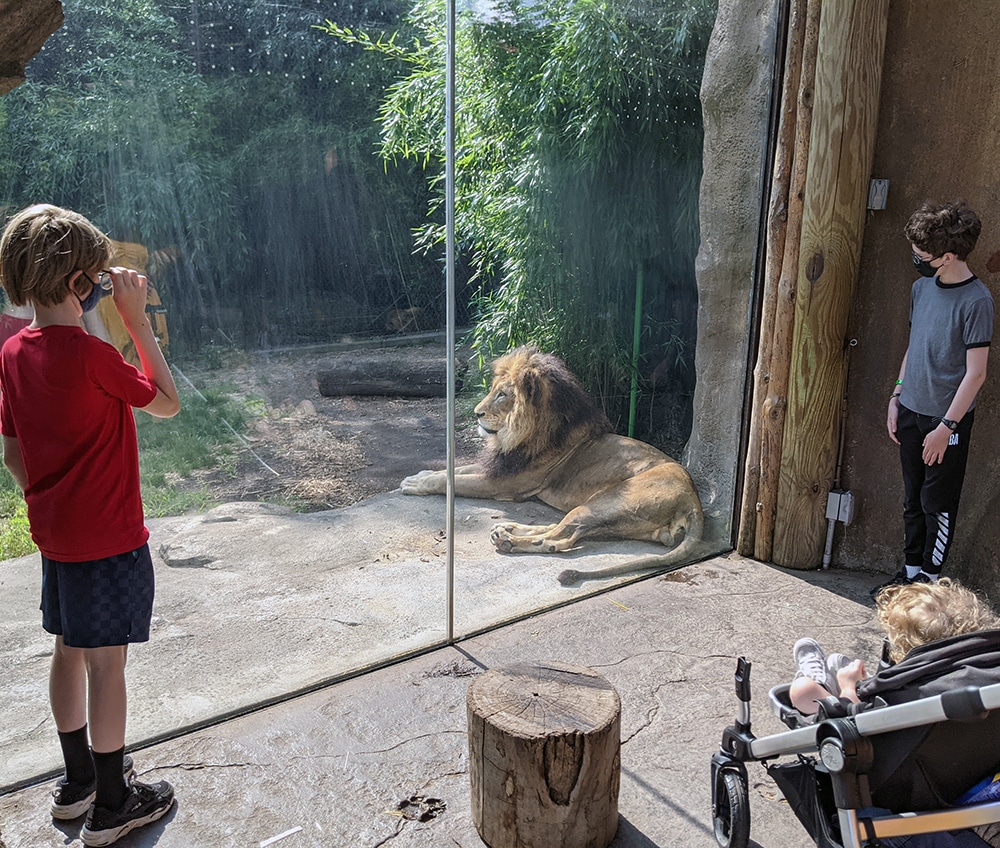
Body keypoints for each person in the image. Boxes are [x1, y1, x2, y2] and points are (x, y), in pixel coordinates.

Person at [0, 205, 180, 846]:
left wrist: (50, 504)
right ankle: (112, 803)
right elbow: (166, 402)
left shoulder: (14, 353)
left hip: (59, 541)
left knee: (68, 650)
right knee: (108, 666)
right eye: (99, 279)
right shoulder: (94, 355)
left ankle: (76, 781)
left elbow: (13, 453)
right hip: (110, 540)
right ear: (82, 284)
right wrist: (135, 323)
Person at [876, 200, 992, 594]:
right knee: (912, 501)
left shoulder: (977, 301)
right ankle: (908, 576)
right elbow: (915, 345)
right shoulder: (921, 288)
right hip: (910, 409)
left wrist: (946, 427)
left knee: (936, 505)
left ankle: (927, 585)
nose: (915, 260)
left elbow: (976, 374)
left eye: (921, 255)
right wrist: (897, 395)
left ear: (946, 256)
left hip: (946, 423)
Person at [790, 577, 1000, 716]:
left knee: (802, 690)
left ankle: (823, 683)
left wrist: (848, 687)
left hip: (875, 748)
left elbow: (858, 725)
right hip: (962, 757)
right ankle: (831, 679)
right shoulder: (990, 673)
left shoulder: (908, 693)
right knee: (838, 666)